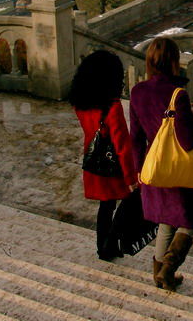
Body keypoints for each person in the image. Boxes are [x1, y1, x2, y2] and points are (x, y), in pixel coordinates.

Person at [130, 37, 193, 291]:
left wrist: (139, 170)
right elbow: (186, 140)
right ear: (174, 61)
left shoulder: (138, 91)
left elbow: (135, 137)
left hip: (153, 166)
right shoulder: (178, 94)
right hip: (177, 168)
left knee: (165, 220)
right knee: (192, 218)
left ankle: (159, 275)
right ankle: (168, 268)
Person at [70, 50, 137, 261]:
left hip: (94, 162)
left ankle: (105, 247)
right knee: (125, 205)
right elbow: (122, 145)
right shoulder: (112, 107)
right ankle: (110, 245)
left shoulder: (81, 103)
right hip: (113, 166)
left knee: (106, 207)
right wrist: (132, 178)